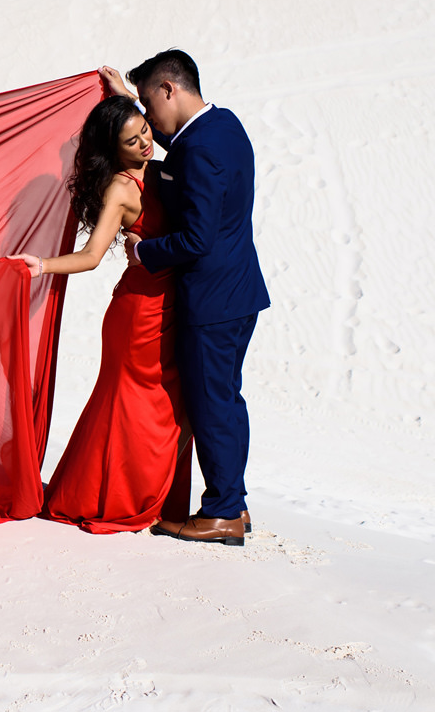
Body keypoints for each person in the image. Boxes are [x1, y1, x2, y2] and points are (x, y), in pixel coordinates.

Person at [103, 50, 269, 546]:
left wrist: (144, 252)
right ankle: (232, 504)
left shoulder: (198, 150)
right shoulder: (223, 126)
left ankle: (222, 512)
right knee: (224, 400)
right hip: (238, 293)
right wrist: (129, 101)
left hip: (213, 301)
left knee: (211, 405)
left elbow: (195, 239)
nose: (149, 118)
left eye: (150, 102)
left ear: (170, 89)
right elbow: (179, 145)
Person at [10, 95, 193, 533]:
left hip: (172, 303)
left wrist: (121, 92)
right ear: (115, 150)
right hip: (139, 313)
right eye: (132, 141)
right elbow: (92, 256)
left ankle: (143, 492)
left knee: (168, 404)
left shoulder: (158, 164)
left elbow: (160, 131)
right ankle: (110, 496)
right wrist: (43, 265)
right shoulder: (121, 188)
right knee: (133, 405)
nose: (145, 143)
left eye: (145, 131)